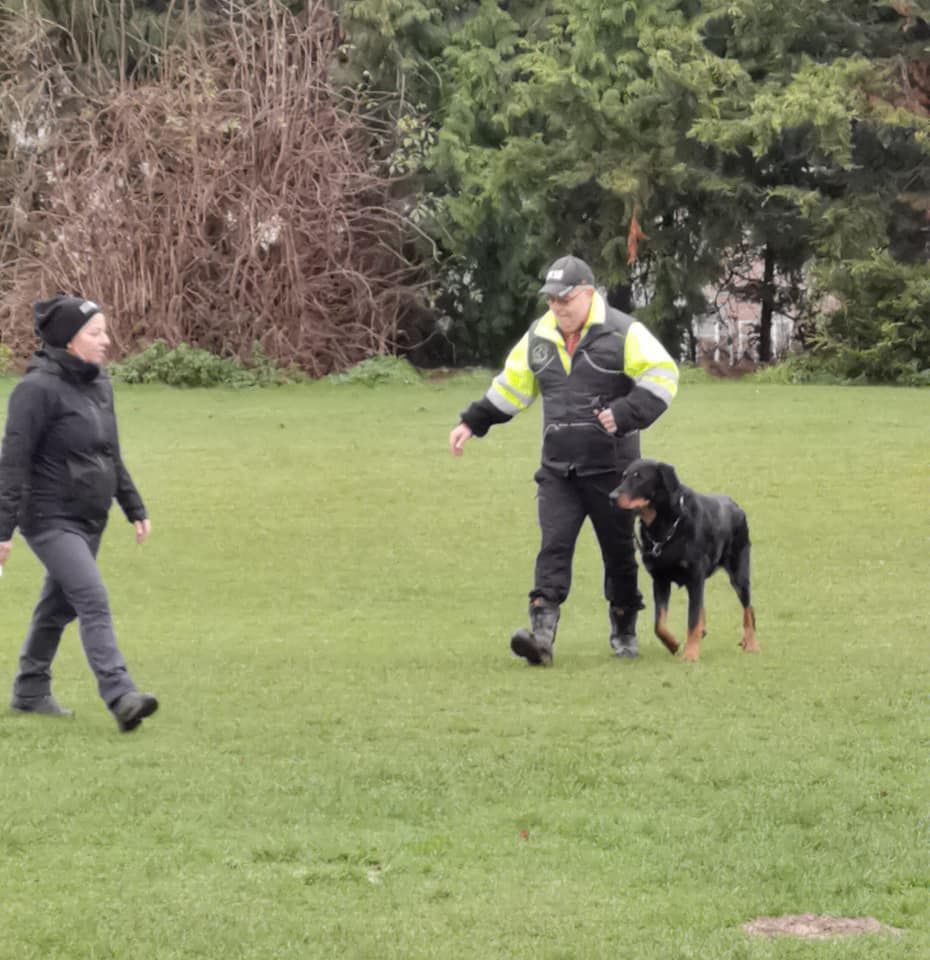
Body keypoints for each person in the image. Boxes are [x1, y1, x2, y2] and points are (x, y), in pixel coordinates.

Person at [448, 255, 679, 665]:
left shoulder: (624, 332)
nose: (557, 307)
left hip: (613, 472)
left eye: (565, 299)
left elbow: (663, 375)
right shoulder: (539, 337)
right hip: (558, 470)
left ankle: (624, 630)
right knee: (553, 548)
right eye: (552, 300)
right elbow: (512, 387)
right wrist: (473, 421)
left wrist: (625, 413)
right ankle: (541, 638)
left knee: (619, 554)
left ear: (589, 293)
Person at [0, 295, 159, 731]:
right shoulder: (34, 391)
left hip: (90, 515)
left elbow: (110, 451)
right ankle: (120, 694)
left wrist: (133, 504)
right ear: (69, 341)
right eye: (95, 332)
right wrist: (3, 529)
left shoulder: (99, 384)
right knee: (91, 597)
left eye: (104, 331)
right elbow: (12, 462)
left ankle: (30, 690)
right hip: (49, 517)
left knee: (59, 605)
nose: (106, 340)